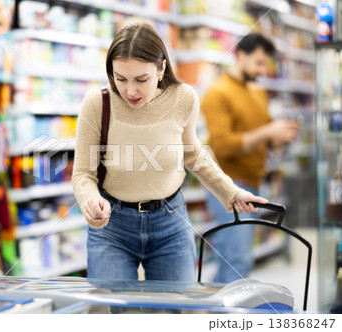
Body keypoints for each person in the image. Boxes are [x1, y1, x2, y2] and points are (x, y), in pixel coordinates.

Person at [72, 23, 268, 283]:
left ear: (161, 68)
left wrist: (230, 191)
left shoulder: (184, 98)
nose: (130, 90)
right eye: (120, 78)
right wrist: (89, 199)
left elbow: (192, 153)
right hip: (113, 227)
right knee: (117, 316)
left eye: (141, 79)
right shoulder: (98, 103)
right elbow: (83, 174)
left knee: (171, 314)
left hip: (171, 223)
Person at [201, 34, 300, 283]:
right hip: (228, 186)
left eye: (265, 63)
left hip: (254, 184)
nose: (262, 70)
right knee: (240, 260)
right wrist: (268, 132)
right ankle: (219, 318)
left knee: (235, 259)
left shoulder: (258, 93)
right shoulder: (217, 94)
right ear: (240, 56)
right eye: (258, 62)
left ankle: (211, 311)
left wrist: (279, 136)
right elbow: (222, 146)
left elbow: (263, 137)